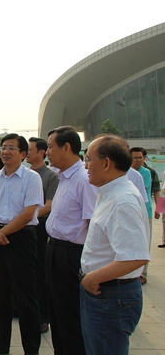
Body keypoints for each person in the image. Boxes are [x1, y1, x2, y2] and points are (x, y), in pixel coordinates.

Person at [80, 134, 150, 355]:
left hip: (110, 294)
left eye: (88, 159)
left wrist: (93, 278)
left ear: (106, 163)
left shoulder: (122, 200)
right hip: (104, 291)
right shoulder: (109, 193)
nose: (85, 166)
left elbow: (135, 256)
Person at [0, 134, 44, 355]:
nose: (5, 151)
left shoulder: (32, 178)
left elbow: (28, 214)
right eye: (3, 147)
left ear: (23, 154)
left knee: (25, 297)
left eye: (12, 148)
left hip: (22, 238)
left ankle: (30, 349)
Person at [45, 126, 97, 355]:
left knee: (71, 319)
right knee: (57, 315)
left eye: (50, 147)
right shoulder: (64, 177)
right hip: (54, 250)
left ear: (66, 147)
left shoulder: (84, 180)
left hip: (71, 256)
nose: (47, 152)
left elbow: (93, 225)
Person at [26, 137, 59, 334]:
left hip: (40, 226)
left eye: (30, 149)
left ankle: (43, 316)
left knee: (40, 271)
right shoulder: (26, 175)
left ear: (42, 152)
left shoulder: (50, 176)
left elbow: (48, 206)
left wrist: (26, 217)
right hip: (23, 226)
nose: (27, 152)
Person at [130, 147, 152, 285]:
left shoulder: (144, 173)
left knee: (144, 242)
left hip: (144, 211)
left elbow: (144, 192)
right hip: (132, 212)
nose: (138, 160)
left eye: (140, 157)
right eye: (135, 157)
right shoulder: (125, 172)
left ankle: (143, 274)